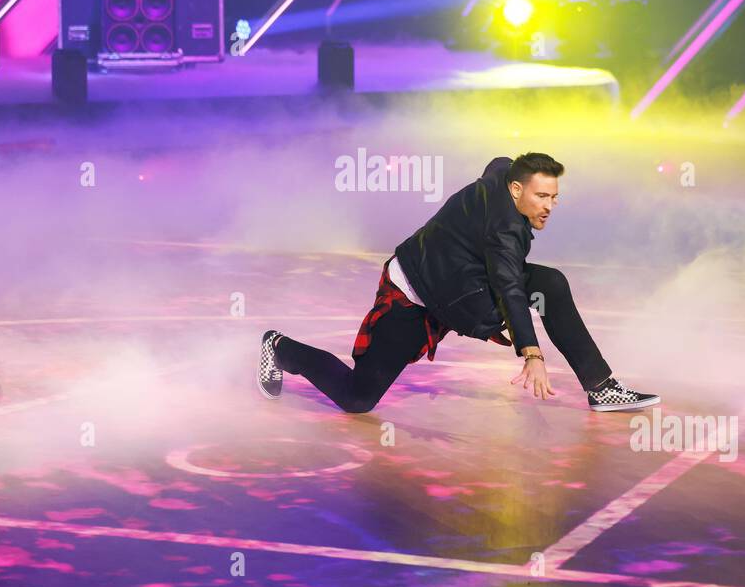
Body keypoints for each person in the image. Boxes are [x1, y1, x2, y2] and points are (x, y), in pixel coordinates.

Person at [257, 153, 659, 413]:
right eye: (541, 197)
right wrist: (532, 354)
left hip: (461, 281)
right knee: (358, 398)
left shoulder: (503, 180)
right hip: (416, 293)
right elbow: (509, 289)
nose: (549, 207)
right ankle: (280, 347)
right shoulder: (505, 232)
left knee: (550, 283)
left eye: (554, 197)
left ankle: (600, 385)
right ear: (516, 189)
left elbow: (497, 162)